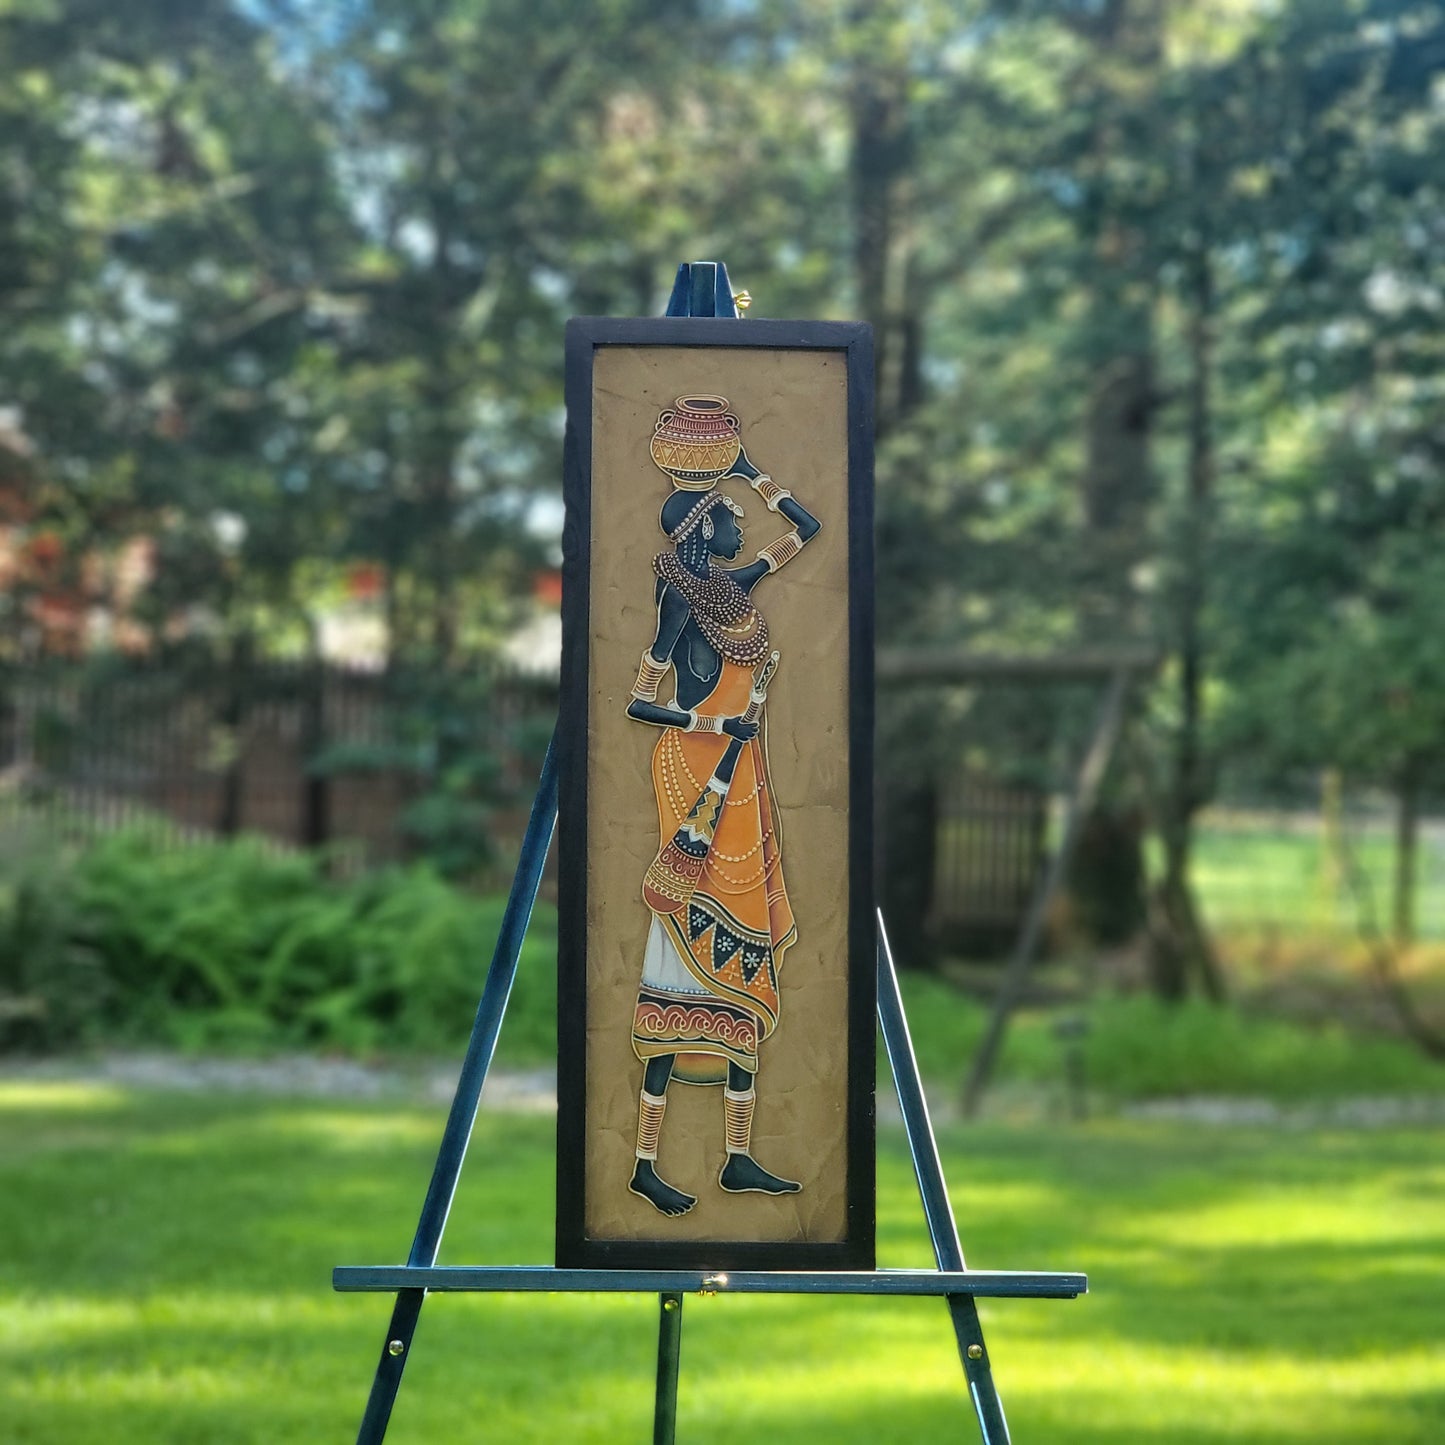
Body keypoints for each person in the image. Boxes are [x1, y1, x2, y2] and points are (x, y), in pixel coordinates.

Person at [623, 457, 820, 1216]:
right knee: (683, 946)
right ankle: (644, 1161)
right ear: (704, 527)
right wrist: (714, 721)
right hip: (696, 771)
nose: (743, 524)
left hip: (744, 774)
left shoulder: (734, 588)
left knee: (746, 950)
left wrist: (750, 471)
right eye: (731, 515)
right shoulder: (680, 596)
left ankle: (735, 1157)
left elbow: (806, 527)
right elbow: (641, 701)